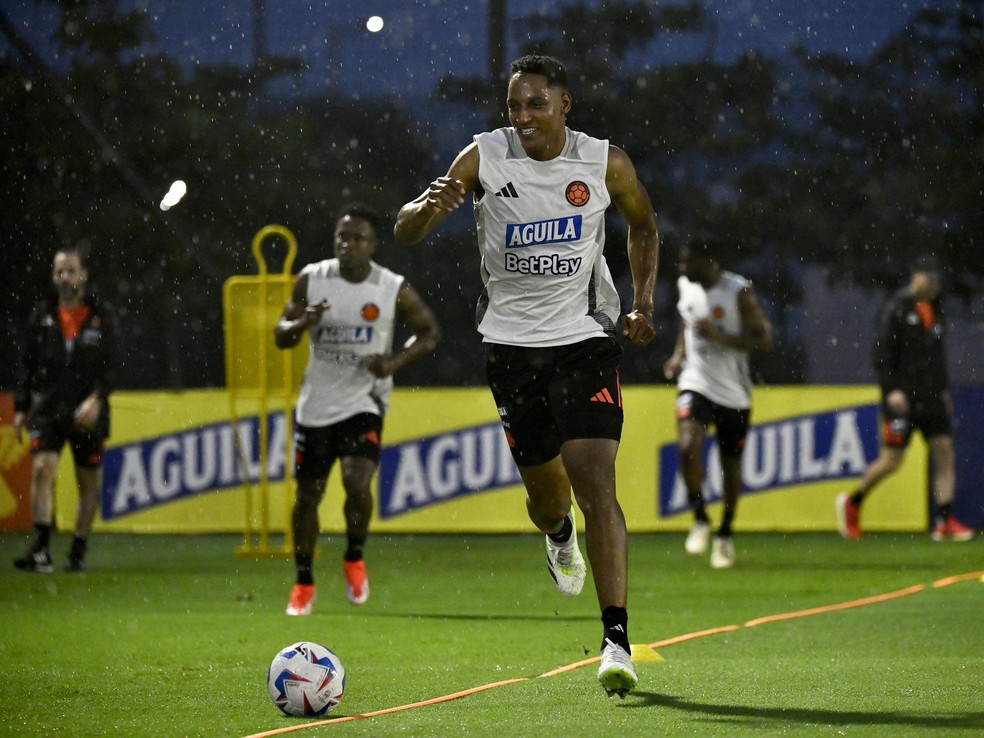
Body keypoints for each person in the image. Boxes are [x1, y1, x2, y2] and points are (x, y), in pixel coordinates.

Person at [393, 54, 660, 697]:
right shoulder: (484, 156)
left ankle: (615, 639)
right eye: (515, 106)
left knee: (597, 478)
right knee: (548, 500)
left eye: (536, 104)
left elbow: (644, 225)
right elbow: (404, 231)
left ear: (565, 105)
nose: (523, 116)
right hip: (511, 350)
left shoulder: (604, 162)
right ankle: (558, 534)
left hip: (584, 341)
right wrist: (431, 207)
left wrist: (643, 301)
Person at [274, 203, 441, 615]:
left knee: (356, 480)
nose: (347, 245)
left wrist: (393, 362)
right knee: (309, 495)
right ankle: (304, 581)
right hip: (317, 403)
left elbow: (430, 333)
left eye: (357, 238)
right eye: (341, 238)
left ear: (374, 245)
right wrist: (300, 324)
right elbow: (280, 334)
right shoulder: (312, 279)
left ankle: (353, 555)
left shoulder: (391, 286)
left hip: (365, 399)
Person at [836, 254, 973, 541]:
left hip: (931, 395)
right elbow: (882, 354)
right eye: (930, 280)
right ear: (918, 278)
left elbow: (937, 357)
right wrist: (892, 390)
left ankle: (945, 522)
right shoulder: (897, 307)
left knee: (945, 452)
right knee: (892, 460)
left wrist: (944, 391)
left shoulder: (935, 309)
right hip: (904, 397)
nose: (934, 287)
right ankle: (853, 502)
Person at [662, 238, 774, 569]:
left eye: (688, 262)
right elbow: (687, 320)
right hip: (696, 382)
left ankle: (725, 534)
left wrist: (720, 337)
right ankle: (700, 518)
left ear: (709, 261)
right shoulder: (686, 285)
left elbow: (765, 338)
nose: (682, 270)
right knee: (686, 446)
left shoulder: (738, 291)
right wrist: (678, 355)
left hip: (733, 392)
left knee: (730, 464)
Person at [13, 243, 117, 573]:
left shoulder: (101, 315)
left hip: (87, 412)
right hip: (48, 408)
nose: (64, 277)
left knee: (89, 484)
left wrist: (97, 398)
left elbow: (114, 364)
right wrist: (21, 405)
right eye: (59, 270)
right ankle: (42, 549)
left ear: (83, 275)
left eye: (70, 270)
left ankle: (77, 551)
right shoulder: (42, 314)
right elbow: (26, 362)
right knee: (43, 470)